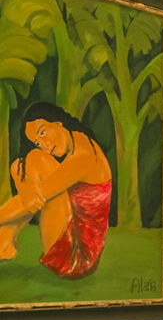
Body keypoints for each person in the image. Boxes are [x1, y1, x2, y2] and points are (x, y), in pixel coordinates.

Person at [0, 103, 114, 278]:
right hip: (69, 242)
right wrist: (28, 189)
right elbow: (21, 171)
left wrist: (28, 190)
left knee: (33, 160)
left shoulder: (84, 158)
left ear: (59, 123)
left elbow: (38, 197)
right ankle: (5, 242)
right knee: (21, 164)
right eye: (37, 142)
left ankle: (5, 239)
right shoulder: (79, 144)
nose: (44, 144)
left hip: (76, 259)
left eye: (43, 132)